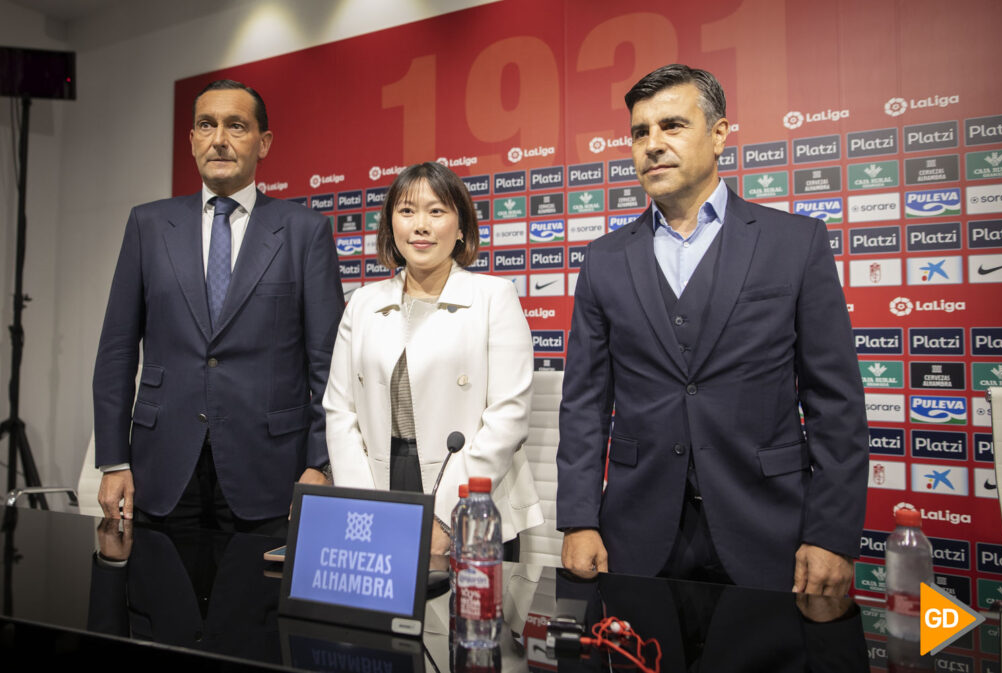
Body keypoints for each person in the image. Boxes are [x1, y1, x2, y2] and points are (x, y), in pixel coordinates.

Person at [556, 64, 867, 594]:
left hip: (770, 532)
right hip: (635, 534)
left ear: (720, 134)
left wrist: (832, 534)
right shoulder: (604, 259)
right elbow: (584, 402)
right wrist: (580, 519)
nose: (653, 144)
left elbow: (834, 402)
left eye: (672, 125)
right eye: (640, 132)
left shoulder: (795, 244)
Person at [93, 79, 342, 535]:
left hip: (271, 473)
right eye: (206, 125)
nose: (219, 139)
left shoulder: (305, 232)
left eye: (236, 126)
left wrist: (320, 465)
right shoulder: (148, 225)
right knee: (158, 598)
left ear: (263, 143)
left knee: (255, 603)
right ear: (191, 140)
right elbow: (116, 351)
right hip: (160, 468)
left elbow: (329, 367)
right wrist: (113, 459)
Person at [323, 162, 543, 556]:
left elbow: (508, 416)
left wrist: (448, 515)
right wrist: (363, 504)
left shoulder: (494, 297)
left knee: (469, 614)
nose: (420, 225)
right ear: (391, 226)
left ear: (461, 228)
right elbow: (340, 412)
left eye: (436, 211)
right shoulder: (362, 304)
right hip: (381, 482)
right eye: (407, 211)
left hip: (473, 493)